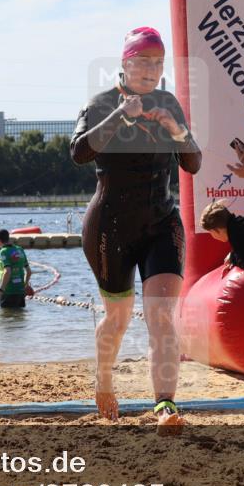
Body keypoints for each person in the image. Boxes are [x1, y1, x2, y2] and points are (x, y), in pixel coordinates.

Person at [70, 26, 202, 427]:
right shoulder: (101, 103)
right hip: (110, 227)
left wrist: (178, 132)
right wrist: (118, 115)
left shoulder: (167, 104)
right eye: (142, 61)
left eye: (157, 63)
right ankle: (104, 379)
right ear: (125, 64)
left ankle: (165, 404)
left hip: (161, 222)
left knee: (161, 315)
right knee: (119, 318)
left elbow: (192, 164)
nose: (150, 69)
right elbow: (78, 152)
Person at [200, 201, 244, 274]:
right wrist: (233, 255)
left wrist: (233, 259)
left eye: (210, 232)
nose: (212, 236)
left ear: (217, 230)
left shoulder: (237, 237)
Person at [0, 229, 33, 308]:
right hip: (20, 292)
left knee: (6, 318)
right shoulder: (20, 249)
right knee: (19, 317)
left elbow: (7, 272)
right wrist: (25, 285)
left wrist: (0, 292)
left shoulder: (3, 251)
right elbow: (29, 271)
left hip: (8, 292)